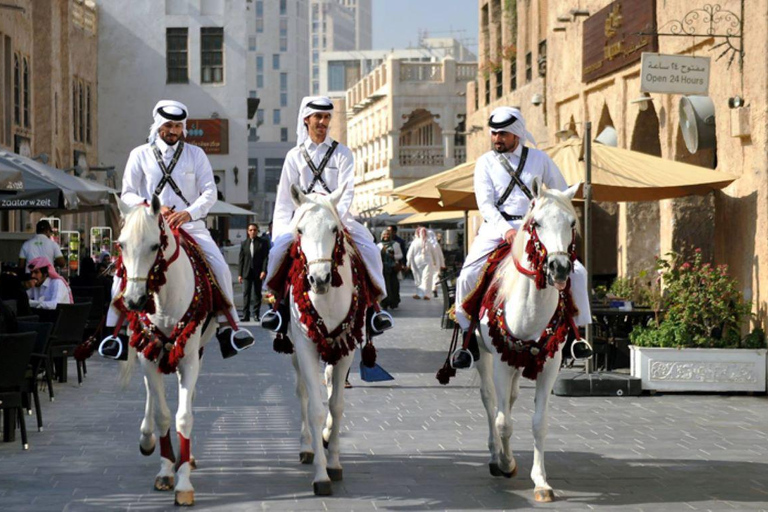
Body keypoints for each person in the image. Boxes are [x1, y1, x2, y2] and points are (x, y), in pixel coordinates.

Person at [99, 99, 254, 359]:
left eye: (178, 126)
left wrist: (188, 212)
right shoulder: (140, 154)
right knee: (121, 272)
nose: (173, 131)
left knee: (220, 266)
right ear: (159, 125)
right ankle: (113, 334)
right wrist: (151, 207)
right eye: (169, 125)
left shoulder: (196, 154)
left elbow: (209, 192)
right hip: (151, 226)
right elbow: (126, 193)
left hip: (190, 225)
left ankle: (229, 328)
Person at [451, 106, 592, 369]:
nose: (497, 139)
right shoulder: (485, 163)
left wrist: (553, 215)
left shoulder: (540, 159)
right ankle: (467, 338)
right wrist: (506, 229)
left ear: (516, 134)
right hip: (497, 226)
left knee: (579, 273)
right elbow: (486, 204)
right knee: (467, 275)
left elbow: (560, 193)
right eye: (494, 133)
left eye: (502, 134)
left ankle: (576, 336)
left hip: (537, 227)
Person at [261, 96, 393, 334]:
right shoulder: (294, 156)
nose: (322, 122)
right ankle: (277, 307)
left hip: (337, 219)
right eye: (318, 117)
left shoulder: (343, 153)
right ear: (306, 120)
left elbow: (347, 191)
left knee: (370, 249)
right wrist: (281, 232)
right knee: (277, 252)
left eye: (326, 117)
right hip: (304, 222)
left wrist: (336, 219)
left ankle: (375, 308)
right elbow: (283, 199)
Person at [238, 223, 268, 322]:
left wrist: (264, 270)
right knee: (246, 294)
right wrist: (239, 274)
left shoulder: (262, 243)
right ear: (248, 231)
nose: (252, 232)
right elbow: (241, 259)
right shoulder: (244, 243)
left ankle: (256, 314)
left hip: (258, 272)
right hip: (247, 272)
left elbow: (265, 258)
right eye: (250, 230)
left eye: (254, 230)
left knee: (257, 294)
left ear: (257, 231)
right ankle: (246, 315)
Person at [407, 227, 440, 300]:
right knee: (419, 278)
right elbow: (410, 254)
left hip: (428, 262)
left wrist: (435, 262)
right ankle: (420, 293)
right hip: (417, 263)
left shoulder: (429, 243)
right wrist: (408, 263)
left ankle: (427, 295)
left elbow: (434, 253)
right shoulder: (414, 243)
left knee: (427, 278)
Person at [377, 228, 403, 310]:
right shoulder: (379, 245)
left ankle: (394, 302)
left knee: (394, 286)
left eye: (387, 234)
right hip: (382, 269)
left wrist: (393, 256)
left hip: (392, 269)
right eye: (384, 234)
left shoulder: (395, 244)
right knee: (385, 286)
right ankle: (385, 302)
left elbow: (400, 255)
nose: (386, 236)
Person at [428, 230, 446, 298]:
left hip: (429, 262)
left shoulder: (426, 244)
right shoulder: (436, 244)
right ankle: (434, 288)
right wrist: (443, 264)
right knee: (435, 275)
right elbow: (440, 255)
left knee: (430, 275)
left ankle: (429, 289)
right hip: (436, 262)